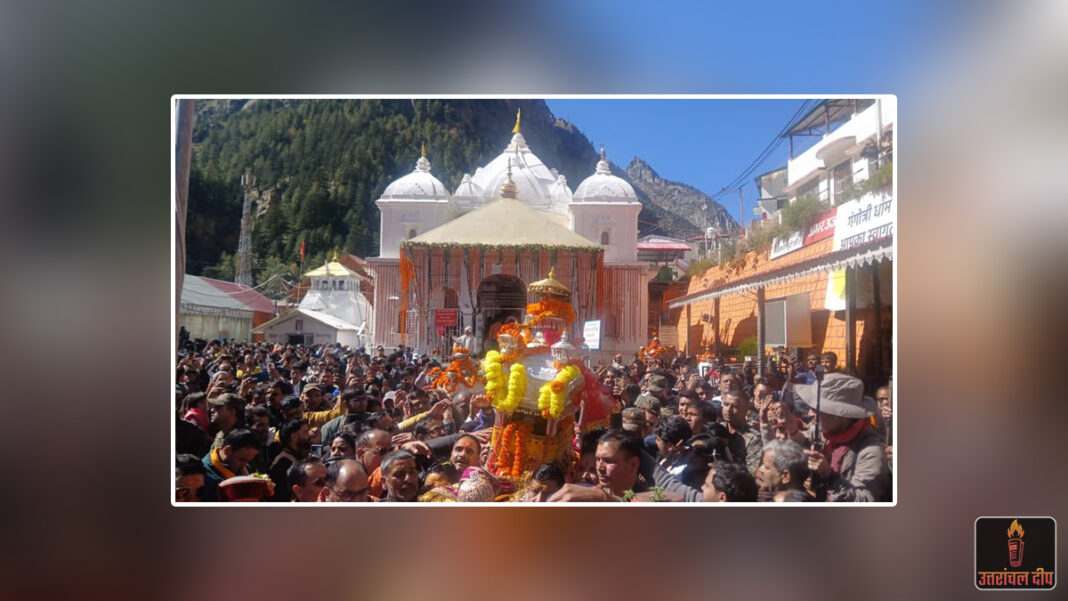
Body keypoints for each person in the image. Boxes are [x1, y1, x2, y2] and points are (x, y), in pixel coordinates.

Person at [792, 373, 891, 502]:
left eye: (817, 410)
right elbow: (806, 438)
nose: (811, 414)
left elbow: (864, 500)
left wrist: (830, 475)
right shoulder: (831, 433)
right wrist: (792, 430)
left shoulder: (870, 451)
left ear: (837, 416)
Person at [201, 429, 261, 502]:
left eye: (248, 461)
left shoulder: (245, 468)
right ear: (227, 451)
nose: (244, 465)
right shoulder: (205, 476)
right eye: (241, 460)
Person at [268, 418, 311, 502]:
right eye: (305, 432)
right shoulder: (283, 464)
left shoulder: (297, 457)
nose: (309, 435)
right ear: (294, 437)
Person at [721, 390, 763, 475]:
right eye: (726, 404)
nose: (728, 409)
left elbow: (752, 473)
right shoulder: (718, 429)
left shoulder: (753, 438)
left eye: (735, 406)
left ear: (746, 410)